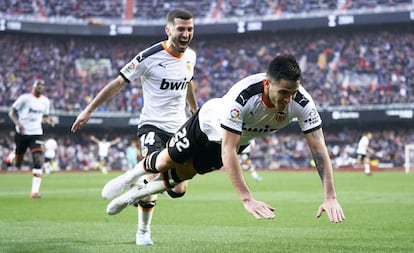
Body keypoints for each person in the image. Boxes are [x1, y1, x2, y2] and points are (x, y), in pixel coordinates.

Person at [101, 54, 345, 228]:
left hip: (237, 140)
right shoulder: (243, 97)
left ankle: (131, 196)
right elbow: (228, 149)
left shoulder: (302, 103)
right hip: (207, 124)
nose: (288, 100)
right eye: (283, 93)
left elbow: (319, 150)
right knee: (164, 162)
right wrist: (247, 198)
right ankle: (128, 178)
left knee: (181, 177)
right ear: (267, 84)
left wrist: (330, 196)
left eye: (292, 93)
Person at [71, 8, 198, 246]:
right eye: (181, 28)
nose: (186, 33)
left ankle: (136, 185)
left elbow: (188, 82)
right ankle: (143, 231)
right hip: (152, 125)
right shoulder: (148, 57)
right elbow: (118, 82)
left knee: (178, 189)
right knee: (153, 173)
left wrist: (194, 109)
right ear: (168, 30)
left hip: (179, 128)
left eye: (190, 29)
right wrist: (88, 110)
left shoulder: (191, 56)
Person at [8, 79, 55, 199]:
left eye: (42, 85)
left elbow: (44, 116)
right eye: (38, 84)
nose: (40, 86)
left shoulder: (45, 101)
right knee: (18, 164)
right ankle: (12, 156)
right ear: (33, 86)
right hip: (22, 133)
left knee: (38, 159)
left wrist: (48, 120)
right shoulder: (25, 98)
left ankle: (35, 192)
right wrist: (18, 123)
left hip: (36, 133)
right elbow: (12, 112)